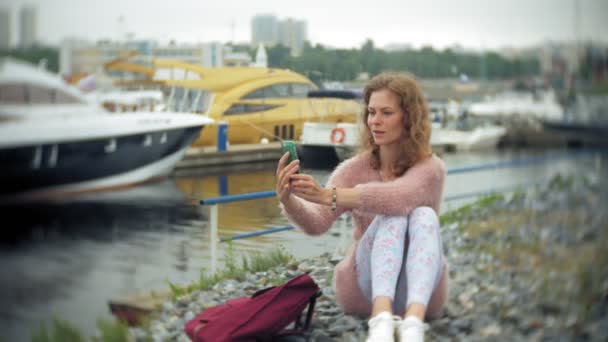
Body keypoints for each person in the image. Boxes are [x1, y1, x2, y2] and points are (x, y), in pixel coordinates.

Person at [275, 72, 448, 342]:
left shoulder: (431, 168)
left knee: (419, 214)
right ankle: (381, 321)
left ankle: (413, 324)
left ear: (409, 118)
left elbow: (399, 198)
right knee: (392, 218)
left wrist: (328, 194)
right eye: (371, 112)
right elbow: (317, 223)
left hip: (420, 289)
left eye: (386, 113)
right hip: (365, 289)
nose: (375, 121)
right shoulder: (353, 170)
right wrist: (290, 200)